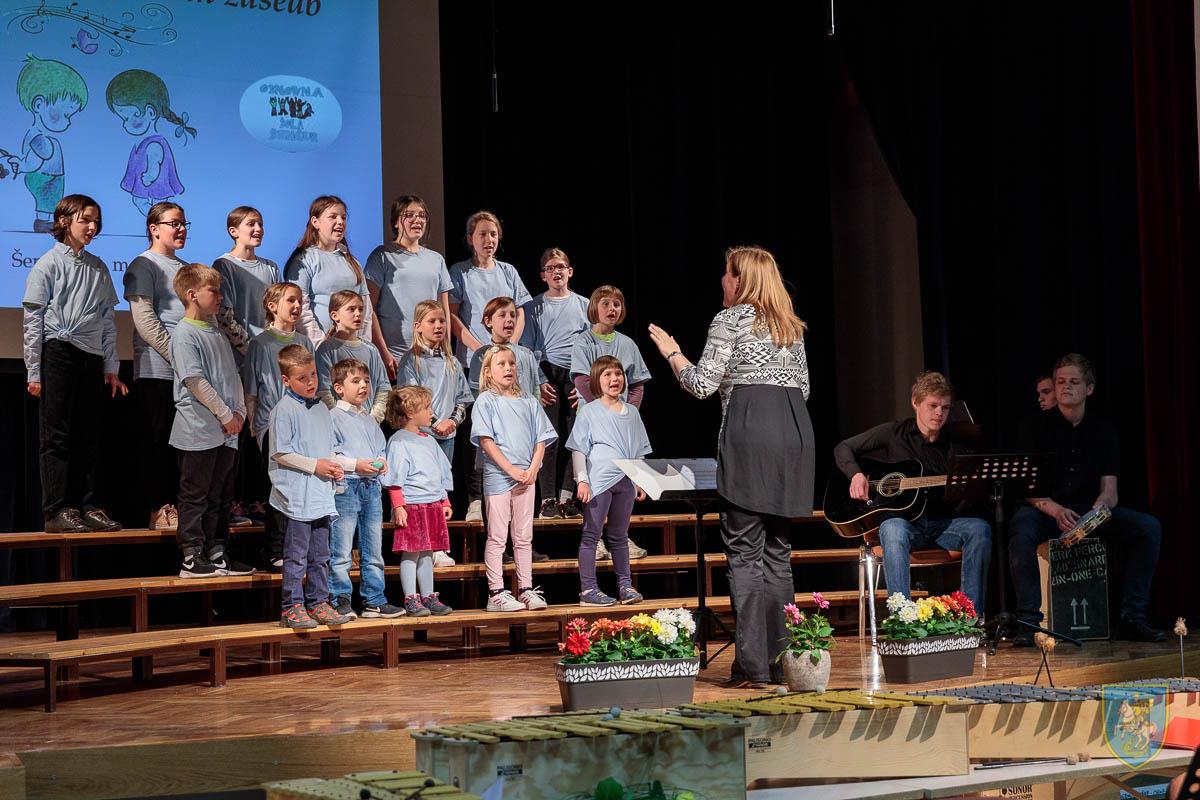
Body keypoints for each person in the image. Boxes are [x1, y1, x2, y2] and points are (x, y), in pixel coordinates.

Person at [648, 245, 812, 687]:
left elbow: (702, 384)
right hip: (793, 436)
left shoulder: (730, 319)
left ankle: (753, 668)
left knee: (744, 553)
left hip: (751, 435)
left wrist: (673, 353)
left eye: (727, 273)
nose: (722, 279)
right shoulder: (791, 326)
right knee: (777, 555)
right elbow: (804, 389)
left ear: (740, 280)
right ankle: (779, 665)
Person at [1009, 353, 1164, 643]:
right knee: (1021, 528)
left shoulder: (1104, 431)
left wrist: (1097, 512)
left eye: (1074, 381)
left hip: (1086, 511)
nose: (1065, 387)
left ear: (1089, 388)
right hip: (1047, 509)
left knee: (1148, 527)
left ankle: (1133, 616)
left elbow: (1110, 489)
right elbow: (1028, 489)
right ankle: (1028, 622)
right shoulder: (1033, 427)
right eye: (1060, 382)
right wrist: (1056, 511)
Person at [833, 371, 992, 617]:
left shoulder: (955, 442)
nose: (939, 413)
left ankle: (971, 616)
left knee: (979, 529)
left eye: (945, 408)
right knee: (892, 528)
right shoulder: (894, 433)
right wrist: (856, 475)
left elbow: (968, 492)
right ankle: (902, 617)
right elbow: (843, 448)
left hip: (943, 525)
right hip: (906, 527)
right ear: (915, 402)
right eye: (933, 405)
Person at [23, 194, 126, 532]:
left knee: (88, 435)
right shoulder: (47, 264)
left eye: (96, 221)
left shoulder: (98, 268)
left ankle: (88, 505)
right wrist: (34, 371)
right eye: (86, 220)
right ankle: (56, 510)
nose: (92, 227)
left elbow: (107, 321)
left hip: (90, 356)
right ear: (64, 221)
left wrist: (111, 367)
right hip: (58, 353)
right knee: (56, 436)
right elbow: (33, 321)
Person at [168, 263, 254, 578]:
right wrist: (226, 414)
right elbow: (195, 380)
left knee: (220, 494)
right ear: (192, 295)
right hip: (200, 427)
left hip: (228, 429)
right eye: (213, 291)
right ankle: (192, 554)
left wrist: (240, 413)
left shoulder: (217, 331)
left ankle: (217, 550)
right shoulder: (184, 333)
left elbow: (232, 375)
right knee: (196, 494)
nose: (219, 297)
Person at [267, 344, 351, 629]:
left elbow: (328, 448)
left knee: (321, 554)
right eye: (302, 378)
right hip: (297, 495)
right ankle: (291, 606)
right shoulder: (284, 410)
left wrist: (334, 465)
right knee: (296, 555)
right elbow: (281, 452)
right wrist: (316, 465)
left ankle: (318, 602)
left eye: (313, 375)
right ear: (286, 380)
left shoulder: (322, 409)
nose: (310, 382)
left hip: (320, 493)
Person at [470, 345, 557, 612]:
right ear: (488, 371)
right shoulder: (486, 401)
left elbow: (541, 438)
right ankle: (496, 593)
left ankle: (526, 589)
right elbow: (486, 440)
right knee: (497, 536)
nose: (508, 368)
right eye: (502, 364)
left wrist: (533, 469)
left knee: (523, 537)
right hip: (500, 476)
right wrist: (510, 470)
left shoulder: (529, 401)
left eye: (511, 363)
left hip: (526, 477)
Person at [571, 284, 653, 560]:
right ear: (594, 307)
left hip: (622, 425)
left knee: (623, 480)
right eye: (605, 304)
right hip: (594, 423)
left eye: (616, 304)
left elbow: (638, 383)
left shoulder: (628, 344)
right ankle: (594, 539)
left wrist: (626, 413)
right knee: (597, 480)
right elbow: (581, 379)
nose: (611, 309)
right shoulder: (583, 342)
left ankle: (621, 535)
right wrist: (604, 411)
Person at [124, 202, 191, 531]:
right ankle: (159, 508)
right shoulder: (143, 265)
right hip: (158, 370)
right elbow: (146, 322)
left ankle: (182, 506)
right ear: (154, 228)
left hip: (189, 373)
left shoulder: (187, 268)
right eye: (174, 223)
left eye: (184, 223)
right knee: (157, 442)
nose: (181, 229)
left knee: (185, 446)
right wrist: (180, 358)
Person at [568, 356, 652, 606]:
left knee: (619, 535)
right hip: (598, 482)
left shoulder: (632, 413)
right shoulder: (589, 411)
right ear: (597, 380)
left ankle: (625, 586)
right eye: (607, 375)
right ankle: (588, 590)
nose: (614, 379)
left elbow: (639, 449)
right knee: (591, 535)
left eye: (618, 374)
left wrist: (640, 479)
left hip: (624, 482)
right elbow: (578, 448)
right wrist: (582, 480)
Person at [243, 282, 314, 571]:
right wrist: (254, 428)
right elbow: (252, 390)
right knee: (279, 487)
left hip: (302, 425)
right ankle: (275, 550)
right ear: (273, 306)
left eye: (299, 301)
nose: (297, 306)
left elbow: (312, 385)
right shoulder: (260, 344)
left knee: (302, 488)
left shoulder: (305, 342)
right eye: (290, 301)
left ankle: (300, 549)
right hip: (271, 425)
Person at [328, 358, 401, 620]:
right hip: (346, 486)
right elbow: (330, 455)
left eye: (367, 381)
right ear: (339, 388)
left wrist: (381, 462)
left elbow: (381, 449)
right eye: (356, 381)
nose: (363, 386)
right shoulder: (332, 417)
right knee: (341, 549)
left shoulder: (369, 419)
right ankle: (340, 599)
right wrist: (355, 464)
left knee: (373, 548)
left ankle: (374, 600)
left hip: (371, 488)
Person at [521, 247, 591, 519]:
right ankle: (547, 499)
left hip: (576, 375)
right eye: (550, 268)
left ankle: (567, 497)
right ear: (543, 275)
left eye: (560, 266)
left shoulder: (584, 305)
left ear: (570, 271)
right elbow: (527, 348)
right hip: (546, 373)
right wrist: (539, 381)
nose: (556, 272)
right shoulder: (533, 307)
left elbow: (592, 345)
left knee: (576, 436)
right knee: (549, 437)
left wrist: (584, 384)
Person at [383, 386, 456, 618]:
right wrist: (398, 506)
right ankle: (411, 598)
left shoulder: (430, 441)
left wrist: (445, 500)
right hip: (412, 506)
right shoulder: (399, 441)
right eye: (426, 407)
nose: (431, 412)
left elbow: (440, 472)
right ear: (410, 412)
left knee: (427, 553)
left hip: (432, 505)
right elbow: (394, 478)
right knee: (411, 554)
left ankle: (428, 596)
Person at [366, 195, 453, 380]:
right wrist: (383, 353)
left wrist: (446, 350)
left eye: (421, 215)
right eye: (409, 215)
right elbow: (369, 307)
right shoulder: (382, 256)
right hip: (395, 357)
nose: (417, 220)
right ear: (396, 222)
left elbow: (444, 310)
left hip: (430, 356)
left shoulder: (436, 259)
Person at [285, 195, 375, 348]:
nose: (340, 222)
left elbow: (366, 309)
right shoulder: (304, 260)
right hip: (320, 348)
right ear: (315, 222)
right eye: (333, 217)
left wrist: (363, 345)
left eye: (343, 217)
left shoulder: (352, 262)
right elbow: (301, 309)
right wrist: (321, 345)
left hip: (353, 348)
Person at [448, 211, 532, 369]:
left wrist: (509, 346)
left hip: (506, 360)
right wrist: (481, 350)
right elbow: (452, 316)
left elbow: (520, 312)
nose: (489, 240)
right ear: (470, 239)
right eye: (482, 234)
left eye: (493, 234)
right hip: (474, 359)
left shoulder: (508, 271)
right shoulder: (459, 272)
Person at [314, 290, 390, 422]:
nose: (358, 314)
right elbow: (324, 391)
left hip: (369, 422)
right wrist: (341, 419)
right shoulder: (326, 350)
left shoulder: (371, 349)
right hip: (340, 424)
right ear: (335, 315)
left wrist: (373, 419)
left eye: (360, 309)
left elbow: (383, 387)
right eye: (351, 309)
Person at [213, 206, 280, 341]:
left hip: (270, 346)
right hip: (240, 350)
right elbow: (224, 316)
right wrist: (250, 347)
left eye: (260, 224)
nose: (258, 229)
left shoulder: (271, 267)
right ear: (234, 231)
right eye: (251, 224)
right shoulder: (224, 265)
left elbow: (279, 311)